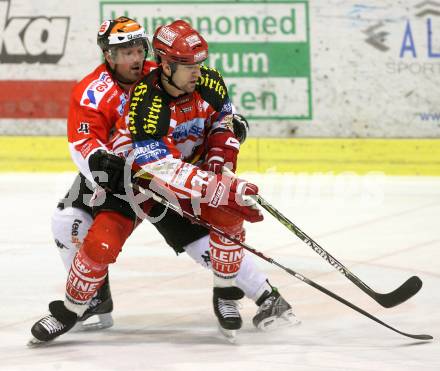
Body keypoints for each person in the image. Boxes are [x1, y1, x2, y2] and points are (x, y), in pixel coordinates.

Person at [29, 18, 298, 345]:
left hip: (167, 175)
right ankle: (92, 299)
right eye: (125, 51)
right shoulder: (93, 91)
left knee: (205, 244)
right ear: (108, 56)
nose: (135, 57)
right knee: (69, 223)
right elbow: (82, 142)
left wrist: (228, 128)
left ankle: (265, 294)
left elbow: (214, 112)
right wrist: (100, 161)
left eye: (138, 49)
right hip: (118, 178)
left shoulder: (167, 71)